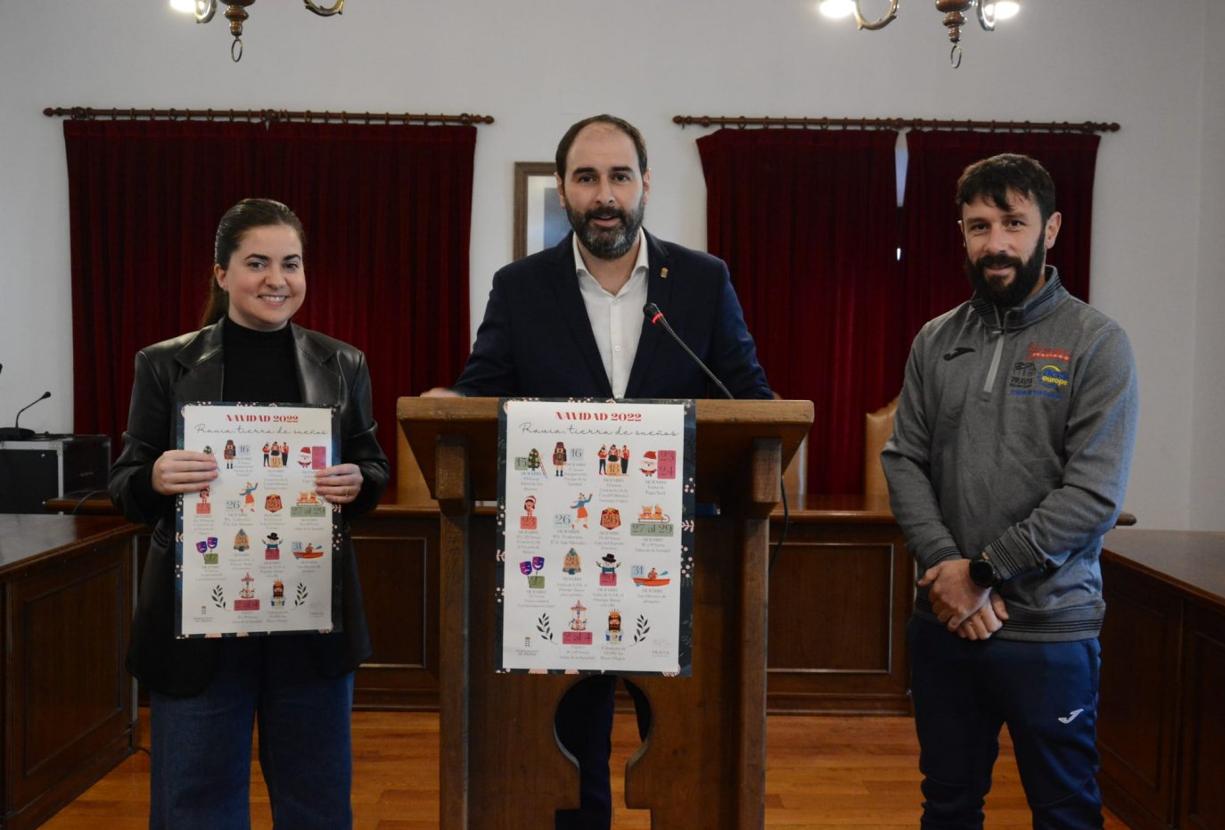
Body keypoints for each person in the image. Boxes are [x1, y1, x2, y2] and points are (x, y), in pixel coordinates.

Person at [424, 113, 771, 829]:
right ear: (564, 190)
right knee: (567, 747)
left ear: (646, 184)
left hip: (682, 558)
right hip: (558, 559)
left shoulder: (703, 282)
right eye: (587, 178)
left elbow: (751, 400)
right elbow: (482, 386)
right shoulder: (521, 287)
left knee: (683, 747)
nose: (604, 194)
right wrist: (452, 404)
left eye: (619, 176)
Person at [109, 198, 389, 829]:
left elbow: (374, 468)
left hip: (308, 619)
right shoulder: (163, 364)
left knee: (316, 805)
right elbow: (125, 484)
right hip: (200, 627)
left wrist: (357, 480)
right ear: (221, 274)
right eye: (256, 262)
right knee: (195, 806)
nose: (276, 279)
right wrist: (155, 476)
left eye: (290, 263)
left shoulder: (342, 363)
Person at [882, 154, 1138, 829]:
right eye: (979, 225)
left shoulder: (1097, 344)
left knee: (1065, 813)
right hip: (943, 625)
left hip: (1050, 630)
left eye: (1014, 223)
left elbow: (1092, 495)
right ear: (961, 233)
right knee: (948, 805)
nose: (996, 244)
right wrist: (948, 573)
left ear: (1050, 229)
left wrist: (986, 574)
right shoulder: (935, 340)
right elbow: (903, 459)